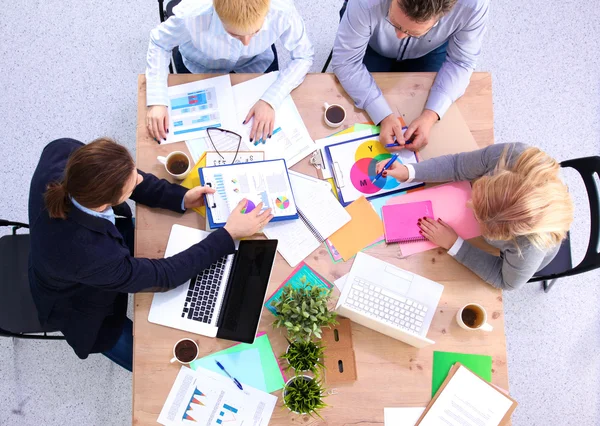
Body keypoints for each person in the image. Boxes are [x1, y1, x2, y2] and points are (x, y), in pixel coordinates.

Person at [28, 138, 273, 371]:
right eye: (132, 185)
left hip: (70, 257)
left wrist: (180, 197)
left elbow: (128, 179)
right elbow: (163, 276)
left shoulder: (63, 152)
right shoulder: (91, 253)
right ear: (106, 202)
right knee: (148, 362)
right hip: (79, 303)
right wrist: (229, 234)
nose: (138, 179)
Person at [376, 143, 574, 290]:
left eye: (478, 216)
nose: (467, 203)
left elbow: (505, 280)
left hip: (516, 258)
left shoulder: (531, 247)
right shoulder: (512, 156)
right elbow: (458, 165)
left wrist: (455, 244)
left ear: (504, 236)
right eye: (477, 197)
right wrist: (410, 171)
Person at [145, 0, 314, 143]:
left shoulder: (282, 9)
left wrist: (270, 100)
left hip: (256, 63)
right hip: (201, 66)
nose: (246, 43)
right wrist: (157, 100)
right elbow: (159, 43)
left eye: (255, 32)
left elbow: (303, 56)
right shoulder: (192, 15)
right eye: (234, 34)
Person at [331, 0, 489, 150]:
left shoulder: (473, 5)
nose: (398, 36)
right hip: (372, 42)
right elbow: (346, 62)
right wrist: (383, 115)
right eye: (393, 22)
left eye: (413, 32)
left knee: (424, 114)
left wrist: (431, 115)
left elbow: (461, 62)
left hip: (430, 50)